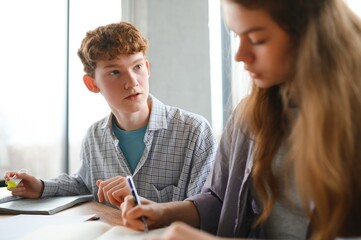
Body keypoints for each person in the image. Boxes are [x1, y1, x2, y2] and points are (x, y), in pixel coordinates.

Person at [120, 0, 361, 239]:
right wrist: (161, 212)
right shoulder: (250, 114)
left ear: (310, 36)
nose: (239, 55)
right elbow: (219, 199)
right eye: (237, 37)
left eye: (256, 39)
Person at [4, 22, 218, 208]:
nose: (132, 82)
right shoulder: (94, 136)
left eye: (137, 67)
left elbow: (205, 211)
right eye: (115, 72)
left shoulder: (194, 132)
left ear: (147, 68)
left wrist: (139, 201)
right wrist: (41, 187)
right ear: (92, 84)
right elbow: (84, 184)